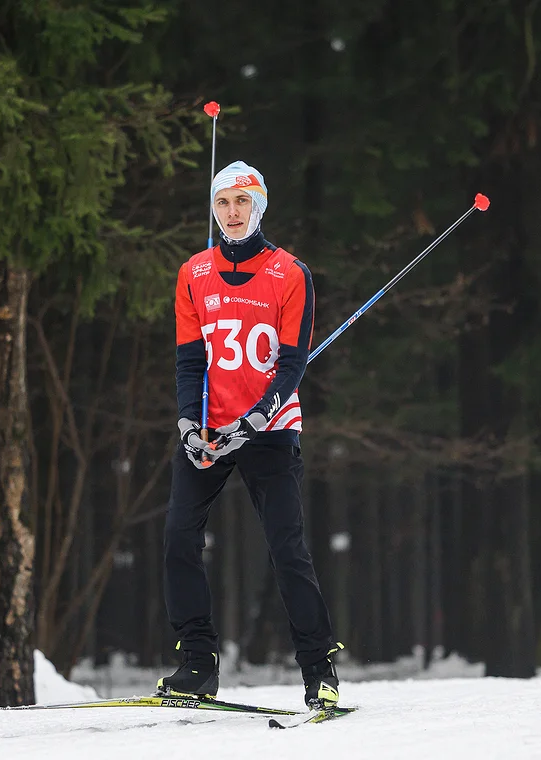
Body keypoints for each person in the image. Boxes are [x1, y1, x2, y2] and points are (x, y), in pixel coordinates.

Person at [155, 159, 343, 710]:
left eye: (243, 202)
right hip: (210, 432)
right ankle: (197, 663)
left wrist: (258, 417)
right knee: (178, 540)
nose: (232, 213)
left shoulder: (290, 273)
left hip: (268, 430)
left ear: (259, 207)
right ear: (213, 210)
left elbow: (290, 365)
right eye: (222, 203)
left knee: (287, 549)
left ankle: (319, 669)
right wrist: (191, 422)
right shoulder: (193, 273)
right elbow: (189, 362)